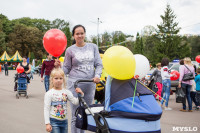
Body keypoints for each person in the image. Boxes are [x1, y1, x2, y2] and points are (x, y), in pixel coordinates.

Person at [63, 24, 103, 133]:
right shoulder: (70, 50)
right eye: (77, 34)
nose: (80, 35)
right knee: (76, 114)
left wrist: (97, 75)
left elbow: (99, 64)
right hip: (74, 85)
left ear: (84, 34)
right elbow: (66, 68)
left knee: (86, 113)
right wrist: (58, 70)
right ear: (73, 36)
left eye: (82, 33)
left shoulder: (93, 47)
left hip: (90, 85)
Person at [44, 68, 84, 133]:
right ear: (52, 79)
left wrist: (80, 94)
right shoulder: (49, 93)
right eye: (56, 78)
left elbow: (75, 102)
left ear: (63, 79)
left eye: (60, 78)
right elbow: (46, 109)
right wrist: (47, 123)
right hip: (54, 121)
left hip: (64, 121)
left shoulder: (66, 92)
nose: (58, 80)